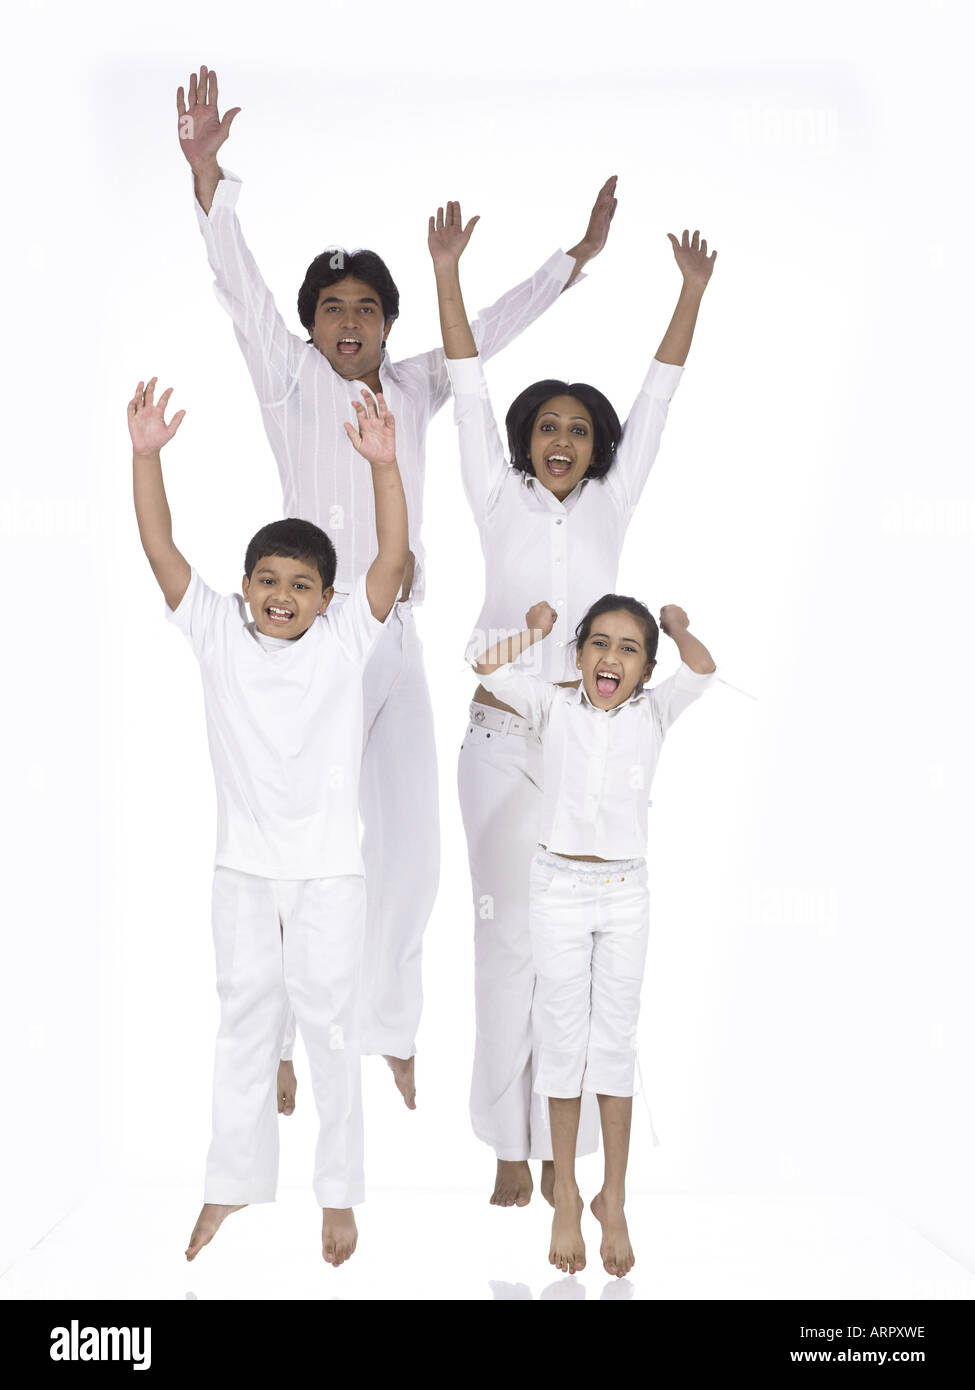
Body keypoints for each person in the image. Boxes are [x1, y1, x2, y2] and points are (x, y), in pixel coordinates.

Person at [176, 64, 618, 1112]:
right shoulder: (288, 379)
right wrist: (208, 176)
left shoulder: (415, 385)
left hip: (395, 641)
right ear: (313, 323)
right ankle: (278, 1032)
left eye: (365, 308)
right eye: (330, 308)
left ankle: (386, 1023)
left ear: (386, 321)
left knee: (412, 849)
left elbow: (490, 333)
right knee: (302, 844)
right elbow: (237, 282)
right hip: (309, 640)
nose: (347, 322)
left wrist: (577, 257)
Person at [430, 201, 716, 1206]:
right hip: (503, 744)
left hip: (589, 751)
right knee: (505, 938)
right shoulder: (498, 496)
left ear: (597, 447)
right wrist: (447, 275)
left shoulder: (611, 500)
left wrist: (690, 293)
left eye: (579, 429)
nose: (562, 438)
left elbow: (661, 395)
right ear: (527, 440)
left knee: (576, 960)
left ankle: (566, 1158)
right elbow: (465, 390)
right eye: (547, 426)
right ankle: (508, 1149)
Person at [128, 375, 408, 1266]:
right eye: (267, 580)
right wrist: (145, 459)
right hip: (244, 870)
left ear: (326, 597)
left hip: (328, 872)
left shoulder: (342, 639)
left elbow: (392, 562)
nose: (281, 595)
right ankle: (228, 1186)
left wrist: (384, 468)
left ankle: (337, 1194)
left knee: (331, 1025)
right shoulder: (215, 629)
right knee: (243, 1018)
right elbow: (160, 547)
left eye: (301, 584)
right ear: (246, 585)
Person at [473, 594, 717, 1276]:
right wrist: (532, 632)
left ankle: (614, 1195)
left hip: (624, 893)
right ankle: (566, 1196)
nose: (611, 658)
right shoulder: (553, 706)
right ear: (579, 656)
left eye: (629, 649)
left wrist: (675, 627)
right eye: (599, 645)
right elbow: (480, 665)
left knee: (614, 1041)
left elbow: (702, 670)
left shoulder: (654, 713)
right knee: (562, 1038)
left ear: (644, 670)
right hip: (556, 888)